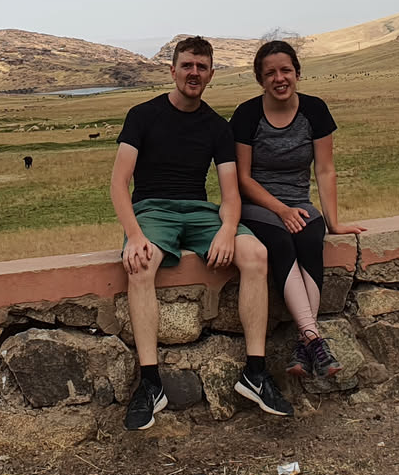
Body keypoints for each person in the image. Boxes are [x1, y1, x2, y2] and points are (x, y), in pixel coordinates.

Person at [110, 36, 290, 432]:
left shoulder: (216, 127)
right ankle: (150, 383)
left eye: (201, 67)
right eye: (187, 65)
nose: (194, 73)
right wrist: (134, 235)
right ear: (173, 70)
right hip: (152, 210)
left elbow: (230, 193)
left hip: (199, 212)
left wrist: (227, 229)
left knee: (256, 255)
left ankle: (255, 373)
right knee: (140, 266)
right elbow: (119, 184)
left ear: (210, 74)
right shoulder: (142, 115)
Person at [231, 39, 364, 380]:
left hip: (299, 203)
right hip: (257, 205)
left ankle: (305, 344)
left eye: (286, 70)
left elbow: (325, 170)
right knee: (280, 240)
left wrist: (333, 223)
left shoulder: (314, 111)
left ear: (297, 73)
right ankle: (314, 338)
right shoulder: (247, 114)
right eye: (270, 73)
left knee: (309, 238)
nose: (279, 78)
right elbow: (242, 179)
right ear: (260, 79)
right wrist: (281, 210)